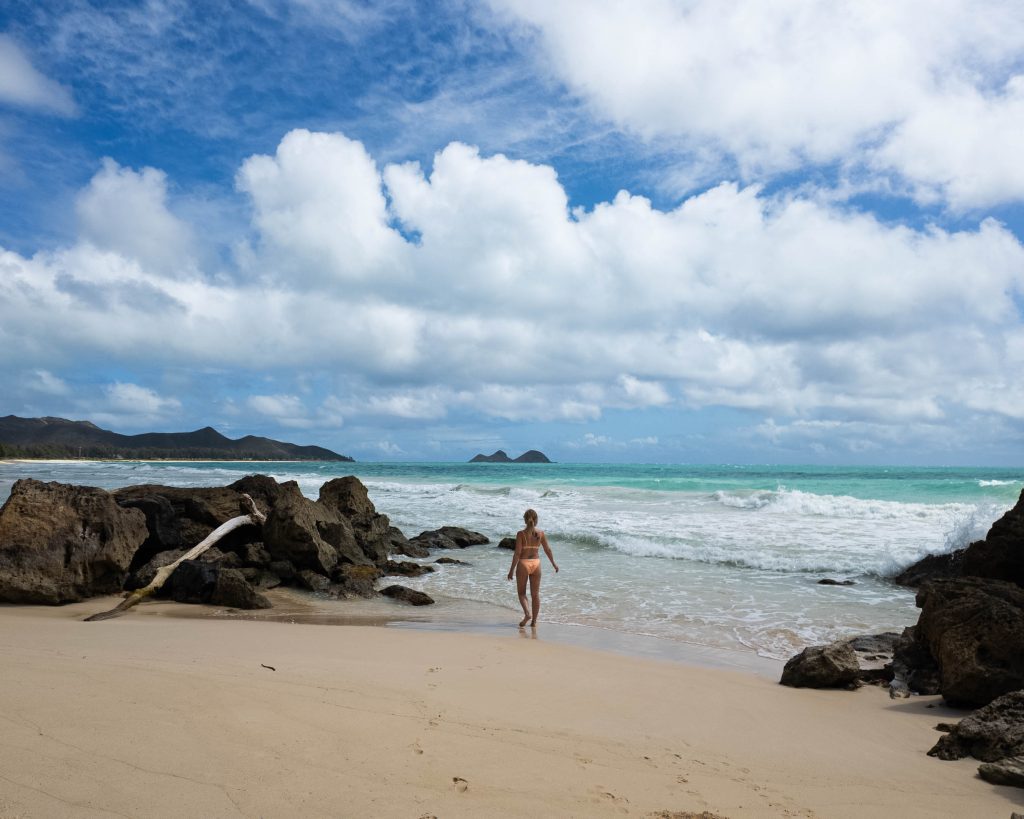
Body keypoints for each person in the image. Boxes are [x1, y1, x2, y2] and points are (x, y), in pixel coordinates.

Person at [507, 508, 558, 628]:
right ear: (536, 520)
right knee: (535, 595)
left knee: (521, 593)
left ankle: (527, 613)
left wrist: (511, 571)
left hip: (523, 563)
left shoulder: (521, 534)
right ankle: (534, 621)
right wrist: (554, 564)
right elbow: (548, 550)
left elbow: (517, 553)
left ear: (525, 520)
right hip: (536, 563)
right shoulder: (541, 534)